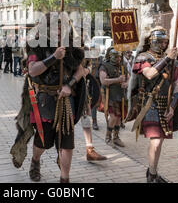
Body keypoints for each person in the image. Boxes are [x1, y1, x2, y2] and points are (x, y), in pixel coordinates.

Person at [13, 13, 86, 183]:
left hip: (66, 101)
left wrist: (69, 85)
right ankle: (35, 161)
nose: (59, 31)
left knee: (67, 142)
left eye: (61, 27)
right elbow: (32, 70)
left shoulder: (72, 47)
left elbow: (81, 70)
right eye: (55, 28)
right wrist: (54, 57)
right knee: (44, 142)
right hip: (45, 100)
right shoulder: (36, 45)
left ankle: (64, 179)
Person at [132, 27, 178, 183]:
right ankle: (152, 175)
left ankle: (153, 171)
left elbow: (176, 85)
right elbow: (150, 74)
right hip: (151, 103)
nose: (163, 44)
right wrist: (167, 59)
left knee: (160, 142)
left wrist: (172, 106)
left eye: (165, 41)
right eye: (159, 41)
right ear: (151, 41)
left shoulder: (170, 59)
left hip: (166, 104)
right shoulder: (142, 57)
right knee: (156, 142)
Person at [99, 47, 128, 147]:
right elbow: (103, 81)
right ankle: (108, 137)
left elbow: (128, 78)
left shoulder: (123, 66)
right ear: (110, 56)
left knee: (119, 118)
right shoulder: (104, 66)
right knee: (113, 117)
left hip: (121, 94)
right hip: (110, 95)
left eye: (119, 57)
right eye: (116, 57)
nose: (118, 59)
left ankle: (116, 137)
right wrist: (118, 80)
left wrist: (126, 83)